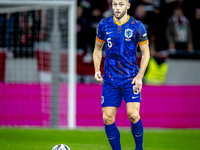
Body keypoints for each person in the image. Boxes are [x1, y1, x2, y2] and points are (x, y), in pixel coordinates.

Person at [93, 0, 150, 150]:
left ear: (128, 6)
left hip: (130, 78)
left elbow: (146, 53)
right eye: (115, 4)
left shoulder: (137, 26)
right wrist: (96, 69)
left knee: (133, 115)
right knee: (107, 117)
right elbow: (97, 49)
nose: (117, 8)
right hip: (110, 79)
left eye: (121, 4)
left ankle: (139, 148)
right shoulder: (104, 25)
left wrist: (139, 76)